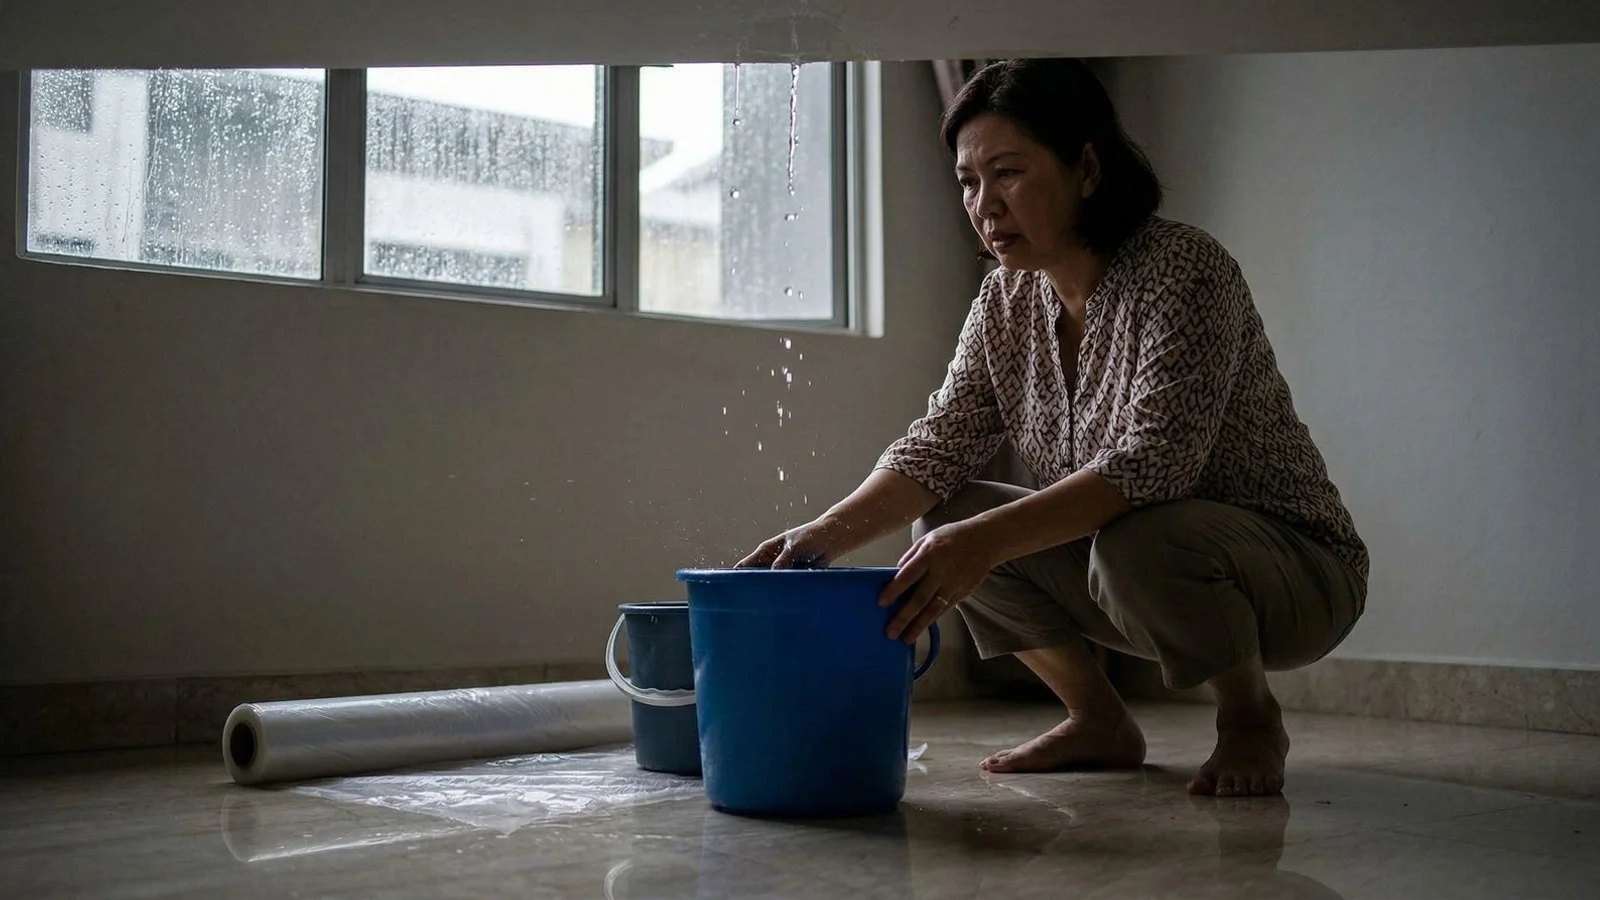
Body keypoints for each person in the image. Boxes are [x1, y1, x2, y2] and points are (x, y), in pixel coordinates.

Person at [739, 58, 1368, 798]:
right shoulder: (1005, 299)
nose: (984, 204)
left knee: (1129, 535)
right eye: (968, 183)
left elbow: (1155, 463)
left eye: (1007, 173)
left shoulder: (1184, 267)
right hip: (1132, 574)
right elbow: (940, 445)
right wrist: (819, 538)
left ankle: (1251, 719)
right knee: (949, 516)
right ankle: (1098, 720)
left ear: (1088, 169)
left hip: (1295, 577)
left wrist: (984, 543)